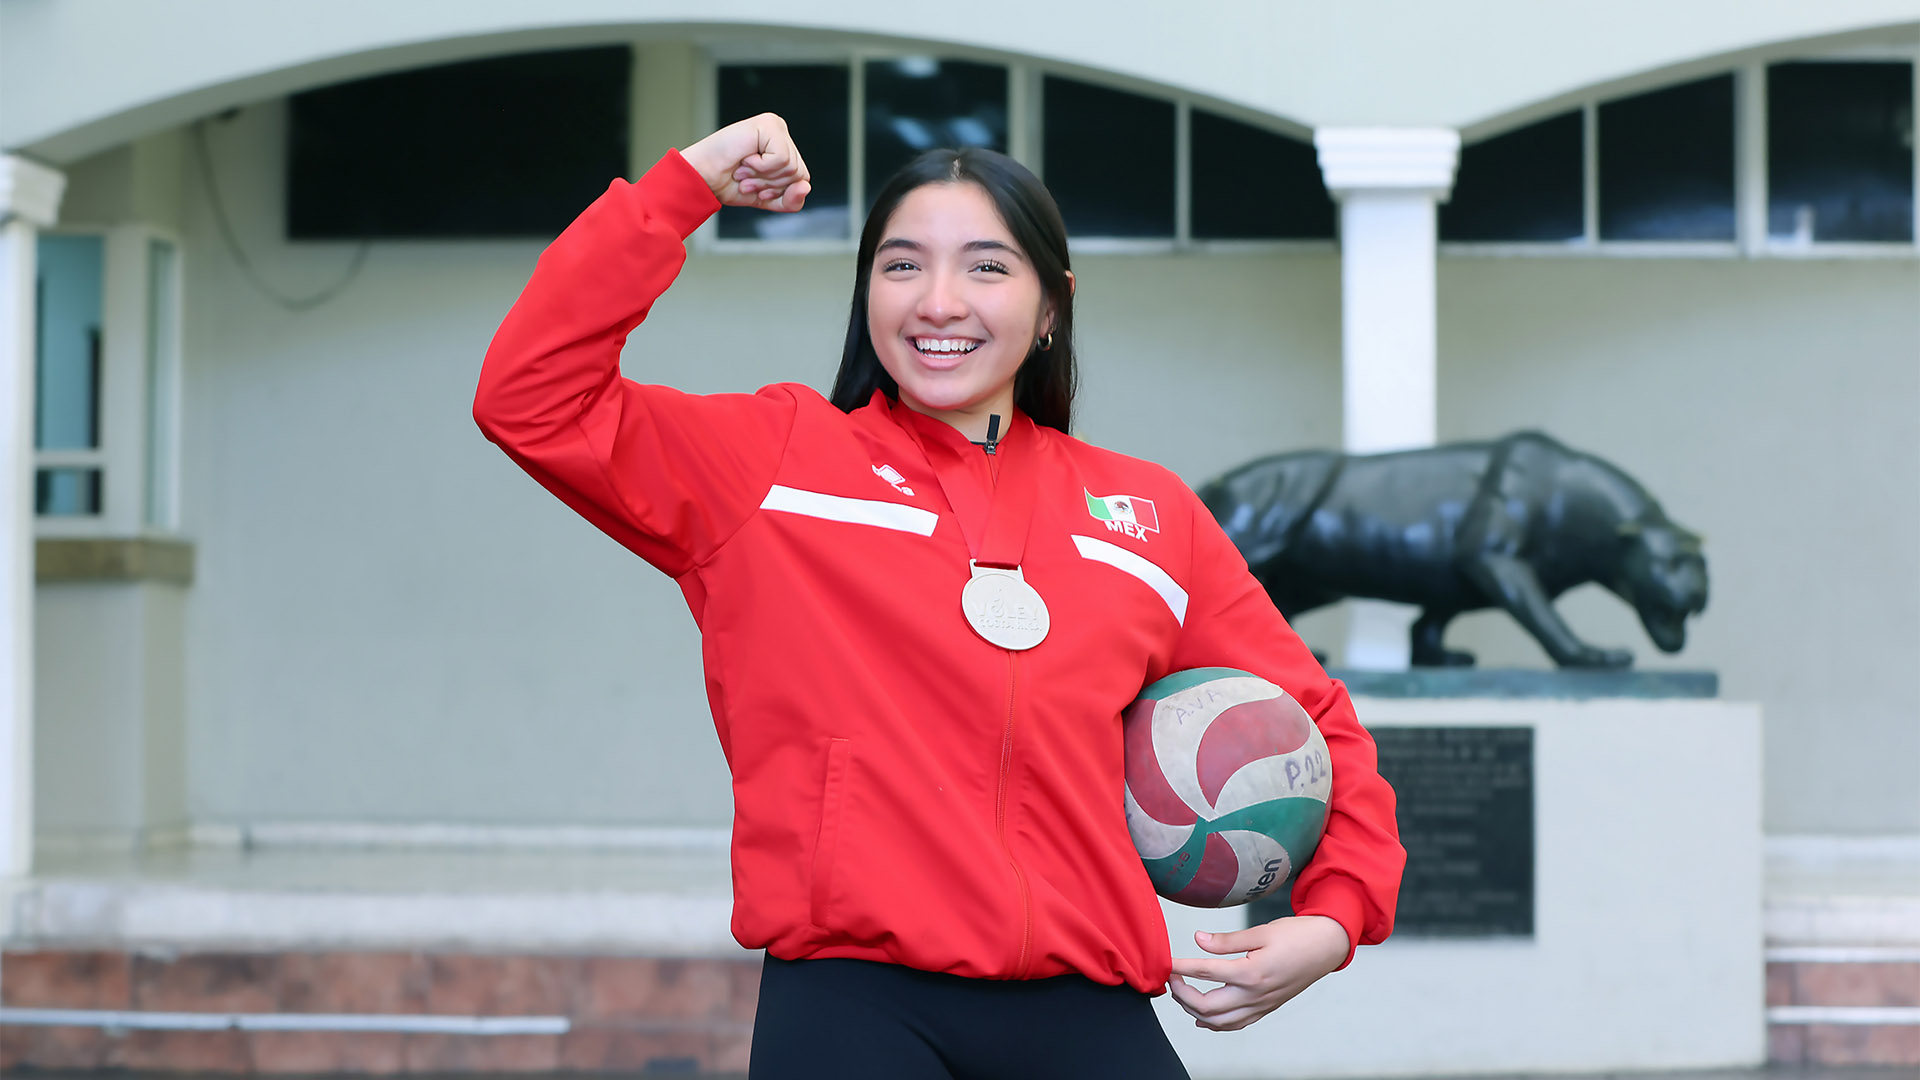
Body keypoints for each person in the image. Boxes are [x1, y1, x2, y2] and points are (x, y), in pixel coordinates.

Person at [474, 112, 1404, 1079]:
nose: (939, 302)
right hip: (852, 1006)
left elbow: (1315, 720)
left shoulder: (1150, 517)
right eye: (903, 265)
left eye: (987, 267)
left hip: (1087, 1004)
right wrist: (687, 185)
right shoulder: (773, 467)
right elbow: (530, 397)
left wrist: (1334, 918)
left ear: (1052, 306)